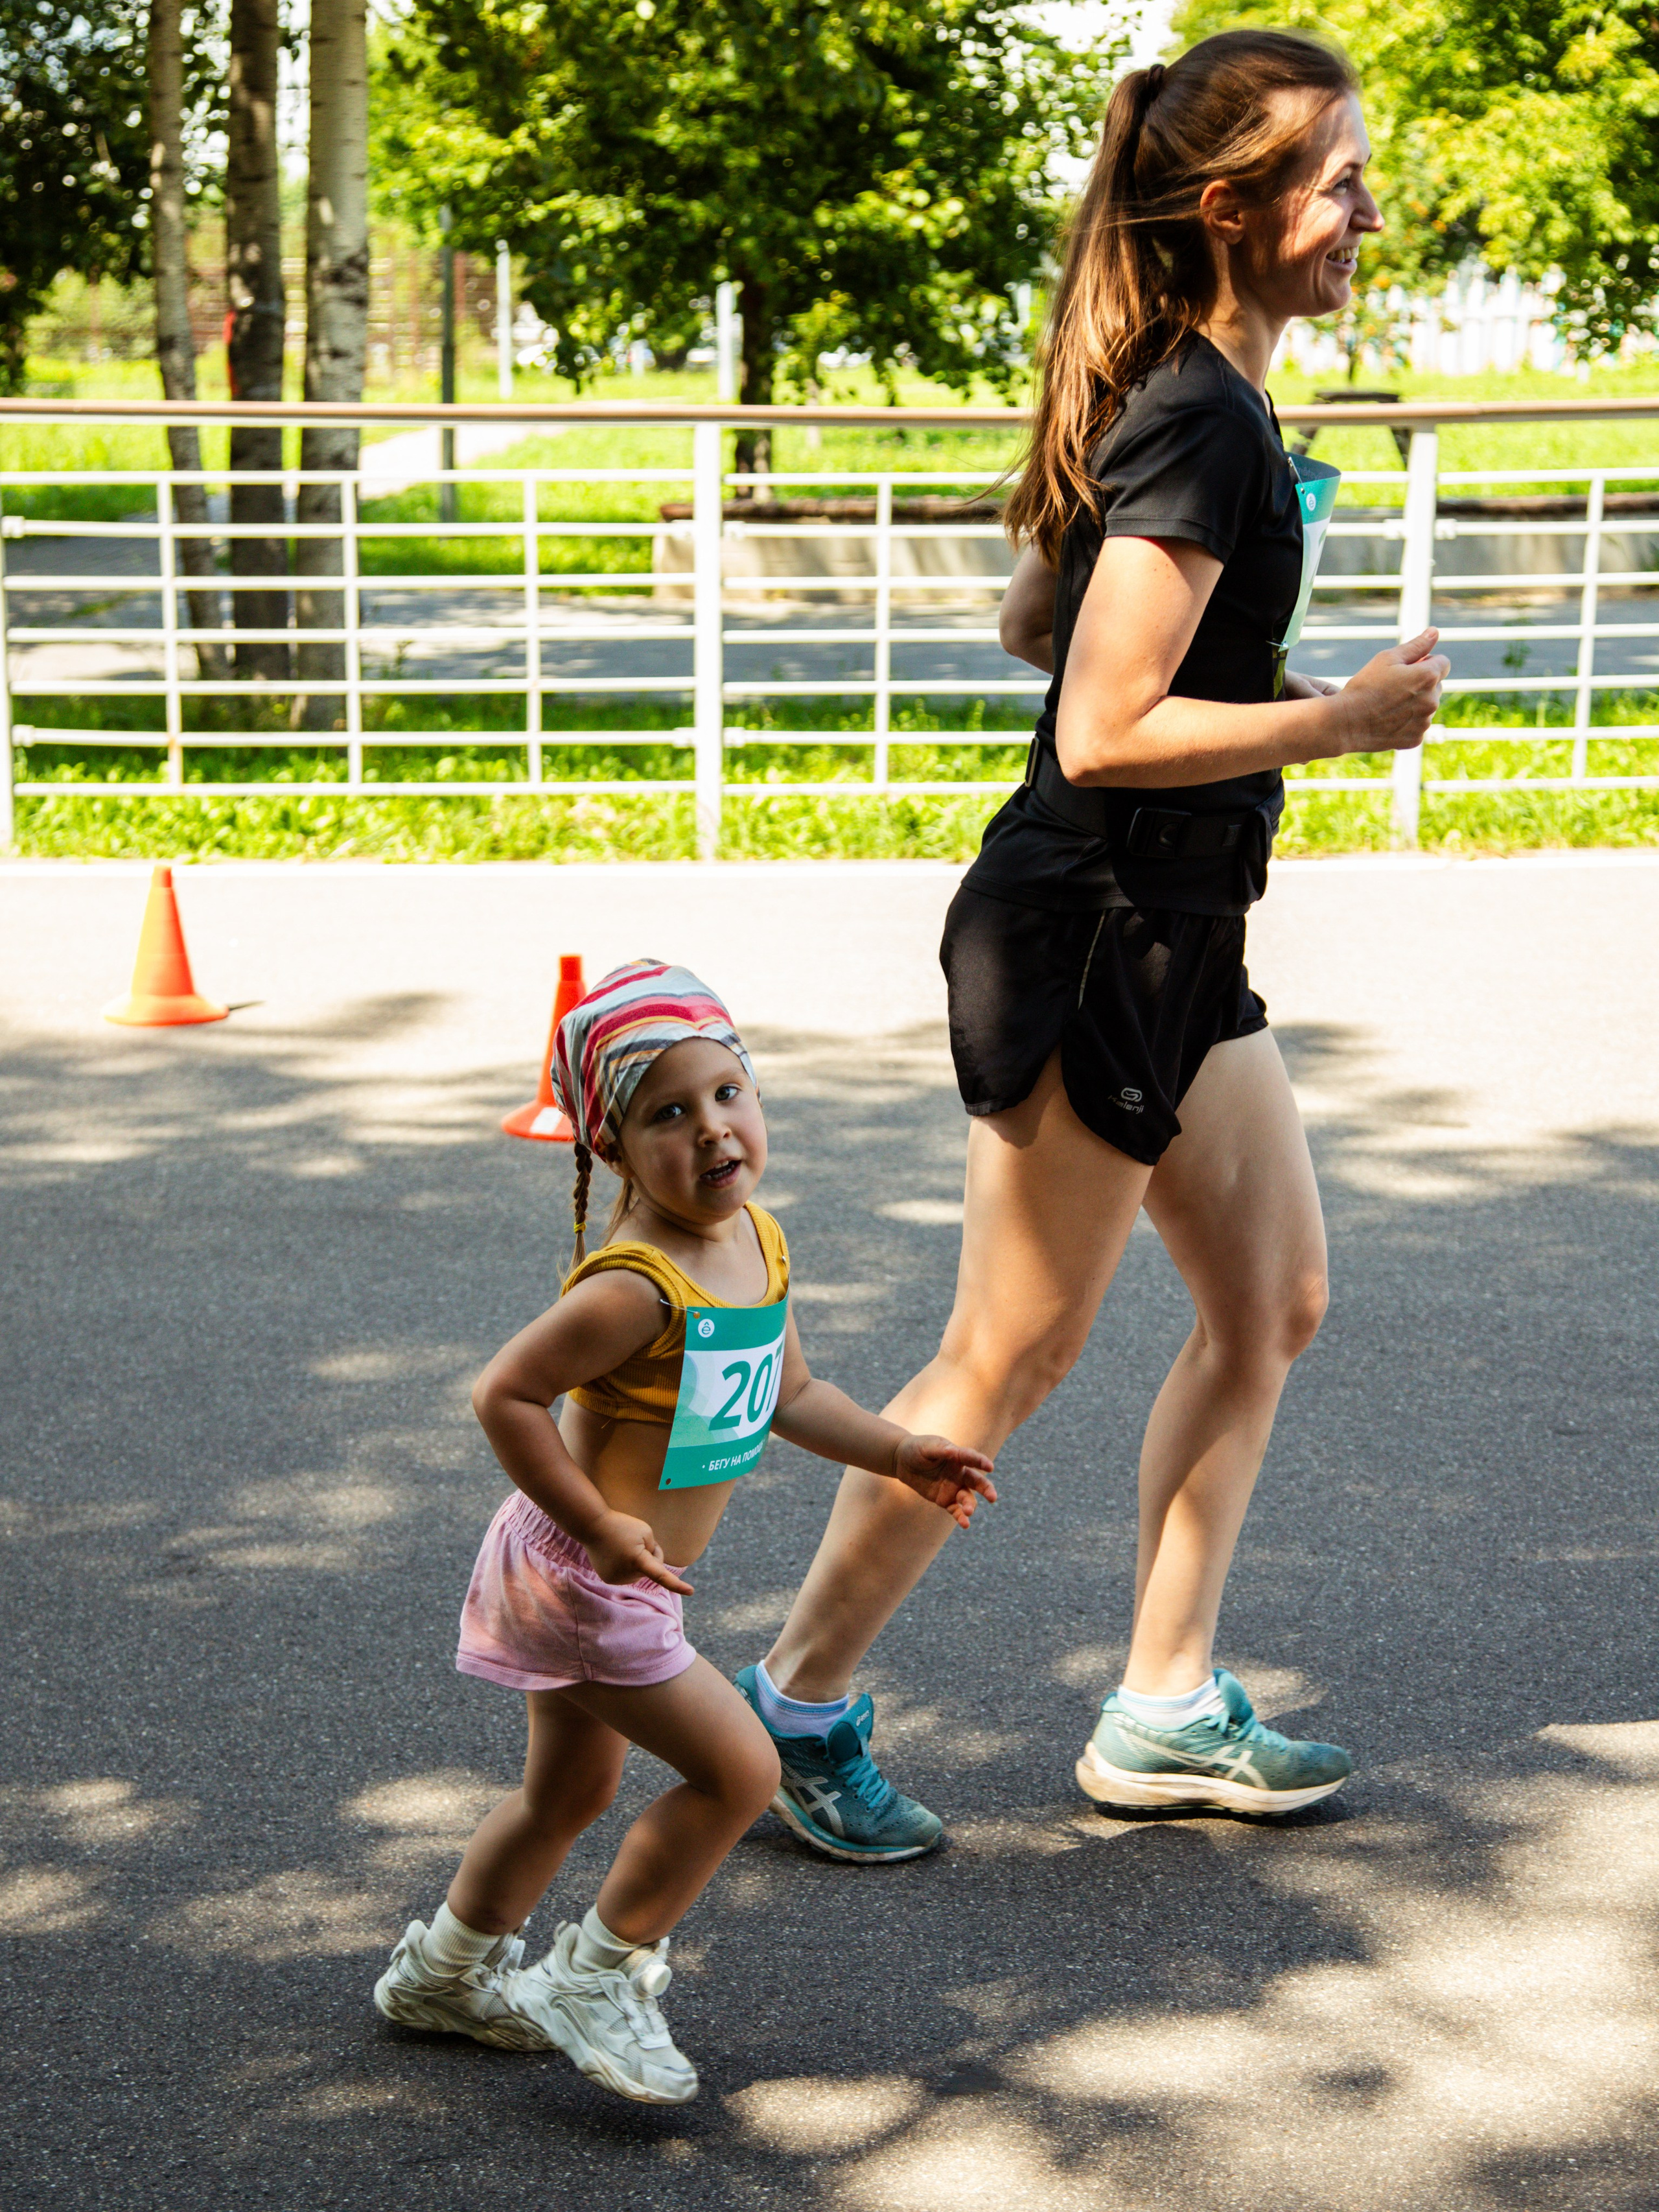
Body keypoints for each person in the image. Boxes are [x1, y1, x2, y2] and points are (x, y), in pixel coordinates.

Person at [734, 30, 1449, 1856]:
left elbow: (1031, 624)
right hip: (1095, 932)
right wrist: (1339, 722)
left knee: (1270, 1298)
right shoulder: (1201, 411)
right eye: (1338, 179)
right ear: (1235, 207)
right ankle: (793, 1708)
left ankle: (1160, 1704)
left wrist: (1254, 678)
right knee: (1010, 1355)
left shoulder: (1187, 390)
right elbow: (1099, 727)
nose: (1368, 210)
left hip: (1178, 933)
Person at [371, 960, 995, 2102]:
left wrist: (900, 1449)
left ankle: (442, 1973)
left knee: (565, 1795)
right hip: (584, 1575)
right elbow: (503, 1394)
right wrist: (601, 1522)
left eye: (727, 1093)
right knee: (741, 1769)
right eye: (668, 1113)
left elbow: (793, 1393)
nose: (711, 1128)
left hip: (604, 1572)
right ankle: (595, 1974)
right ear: (612, 1146)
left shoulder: (756, 1240)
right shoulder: (637, 1288)